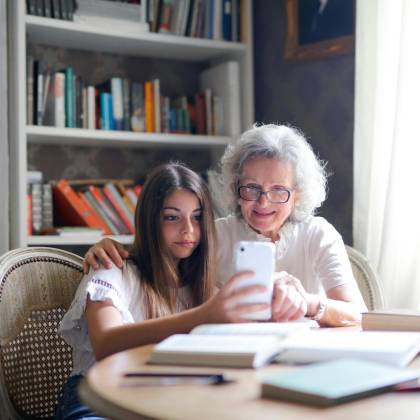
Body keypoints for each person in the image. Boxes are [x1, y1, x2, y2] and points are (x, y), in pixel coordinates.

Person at [84, 124, 367, 327]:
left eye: (279, 190)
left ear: (298, 195)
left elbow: (358, 314)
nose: (263, 203)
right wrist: (109, 246)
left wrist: (307, 302)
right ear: (235, 187)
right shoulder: (213, 234)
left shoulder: (318, 233)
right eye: (251, 188)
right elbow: (159, 256)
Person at [55, 163, 272, 420]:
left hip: (163, 397)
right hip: (95, 399)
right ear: (150, 220)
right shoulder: (112, 268)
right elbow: (106, 344)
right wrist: (204, 316)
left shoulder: (205, 288)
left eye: (197, 217)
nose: (188, 230)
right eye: (172, 217)